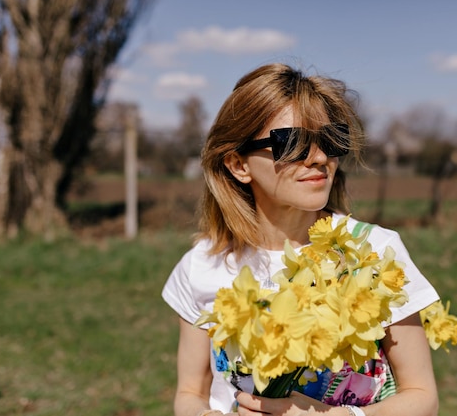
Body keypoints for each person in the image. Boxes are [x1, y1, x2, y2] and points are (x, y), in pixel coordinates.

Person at [162, 62, 440, 416]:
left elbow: (423, 397)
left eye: (331, 139)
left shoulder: (373, 253)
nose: (320, 157)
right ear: (238, 165)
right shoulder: (202, 265)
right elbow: (190, 392)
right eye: (291, 143)